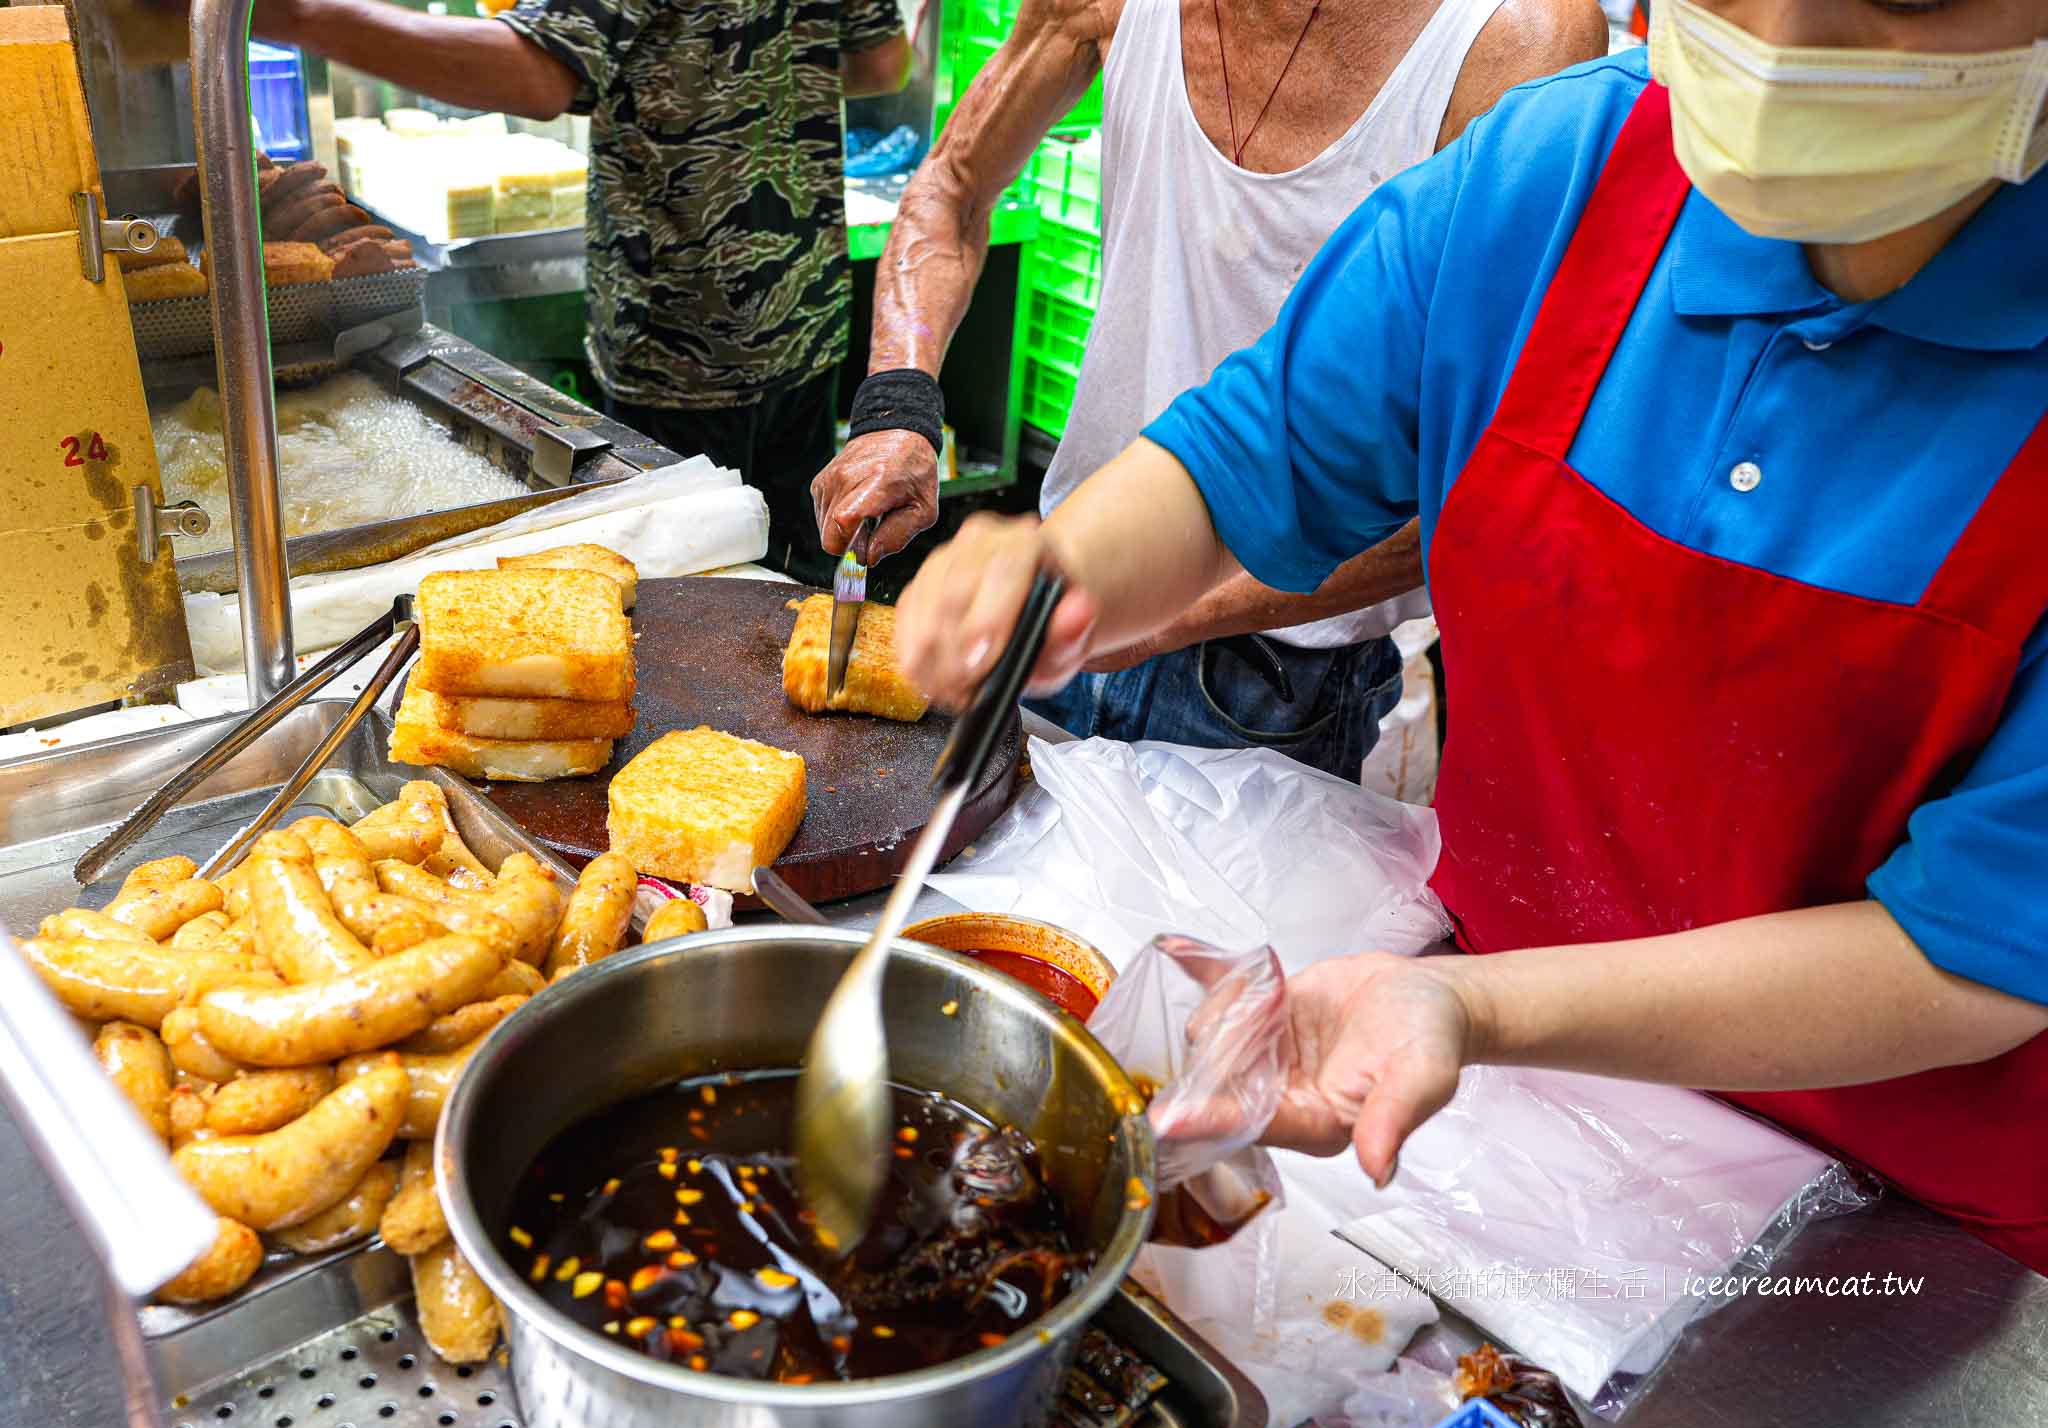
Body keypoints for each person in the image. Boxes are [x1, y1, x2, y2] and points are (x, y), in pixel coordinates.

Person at [889, 0, 2048, 1270]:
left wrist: (1473, 1006)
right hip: (1512, 1100)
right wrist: (1062, 569)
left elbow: (1975, 953)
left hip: (1891, 1206)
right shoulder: (1554, 176)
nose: (1778, 35)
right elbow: (1251, 454)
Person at [810, 0, 1607, 776]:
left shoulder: (1513, 39)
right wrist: (896, 406)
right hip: (1064, 597)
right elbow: (952, 187)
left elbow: (1478, 479)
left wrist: (1156, 608)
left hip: (1275, 677)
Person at [254, 0, 912, 580]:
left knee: (684, 589)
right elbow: (884, 62)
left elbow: (538, 74)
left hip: (679, 335)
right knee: (796, 579)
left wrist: (297, 15)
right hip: (804, 309)